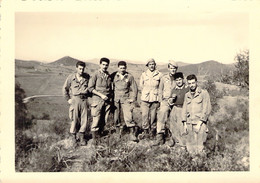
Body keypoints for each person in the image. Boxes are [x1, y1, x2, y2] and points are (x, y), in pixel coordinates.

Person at [182, 74, 211, 154]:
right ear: (188, 84)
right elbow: (184, 109)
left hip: (200, 123)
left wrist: (200, 123)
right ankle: (192, 163)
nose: (192, 85)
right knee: (190, 146)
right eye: (190, 83)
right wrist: (184, 123)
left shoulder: (203, 93)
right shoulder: (187, 95)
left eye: (193, 83)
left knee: (200, 146)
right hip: (189, 123)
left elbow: (206, 109)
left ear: (196, 82)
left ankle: (200, 163)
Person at [62, 61, 90, 146]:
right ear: (76, 68)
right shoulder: (71, 78)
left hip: (84, 100)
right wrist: (68, 99)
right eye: (80, 69)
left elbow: (91, 87)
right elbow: (65, 89)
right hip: (75, 100)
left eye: (83, 69)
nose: (81, 71)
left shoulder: (87, 77)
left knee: (84, 119)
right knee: (74, 119)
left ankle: (82, 137)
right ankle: (73, 137)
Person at [111, 61, 138, 141]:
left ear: (126, 68)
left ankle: (132, 133)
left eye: (124, 68)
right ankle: (117, 133)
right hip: (116, 100)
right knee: (116, 117)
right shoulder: (114, 76)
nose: (122, 69)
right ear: (118, 68)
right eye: (120, 68)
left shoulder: (129, 77)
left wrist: (133, 98)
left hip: (126, 99)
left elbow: (134, 89)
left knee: (128, 116)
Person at [88, 57, 112, 146]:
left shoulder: (108, 76)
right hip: (97, 100)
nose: (105, 66)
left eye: (106, 65)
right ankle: (95, 139)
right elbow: (90, 88)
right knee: (96, 119)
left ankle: (100, 136)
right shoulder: (95, 75)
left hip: (106, 101)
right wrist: (101, 95)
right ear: (100, 65)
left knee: (104, 119)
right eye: (103, 64)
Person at [153, 60, 178, 145]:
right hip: (165, 101)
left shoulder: (179, 78)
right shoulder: (164, 78)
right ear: (168, 68)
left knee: (175, 118)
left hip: (176, 102)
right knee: (162, 114)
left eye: (174, 68)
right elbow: (160, 90)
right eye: (171, 68)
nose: (173, 70)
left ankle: (172, 138)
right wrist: (161, 101)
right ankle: (160, 137)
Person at [139, 58, 162, 140]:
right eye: (150, 64)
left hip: (155, 99)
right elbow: (141, 86)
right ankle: (145, 132)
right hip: (145, 99)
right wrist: (145, 92)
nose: (152, 66)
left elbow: (161, 87)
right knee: (144, 115)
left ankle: (152, 132)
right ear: (147, 65)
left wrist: (159, 97)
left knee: (153, 117)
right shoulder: (144, 74)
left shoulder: (159, 74)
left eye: (153, 64)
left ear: (155, 65)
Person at [167, 72, 189, 147]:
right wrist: (170, 100)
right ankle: (173, 139)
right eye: (177, 80)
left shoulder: (187, 89)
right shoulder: (174, 90)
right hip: (175, 108)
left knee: (181, 126)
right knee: (173, 125)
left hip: (183, 109)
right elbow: (170, 100)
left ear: (183, 79)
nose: (179, 81)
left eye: (180, 79)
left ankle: (182, 143)